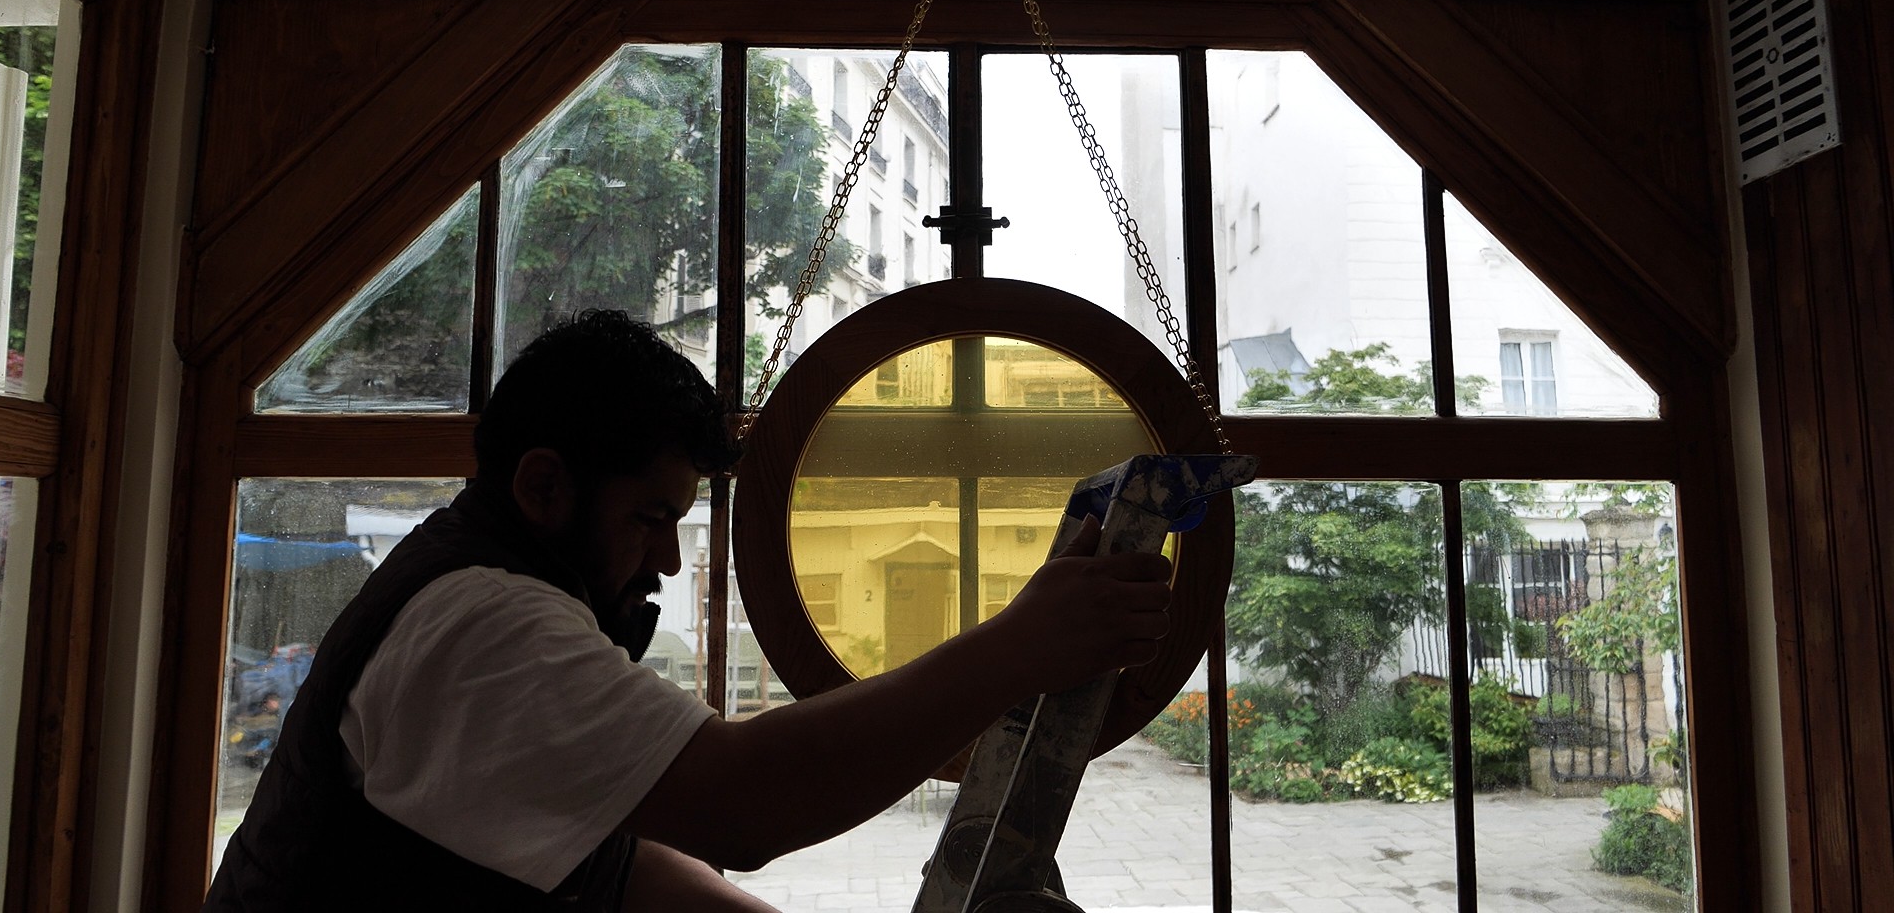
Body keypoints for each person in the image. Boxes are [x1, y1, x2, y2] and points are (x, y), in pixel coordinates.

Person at [203, 309, 1173, 911]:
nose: (668, 558)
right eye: (649, 518)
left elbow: (608, 866)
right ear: (544, 486)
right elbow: (743, 802)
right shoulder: (484, 626)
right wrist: (1022, 647)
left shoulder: (480, 587)